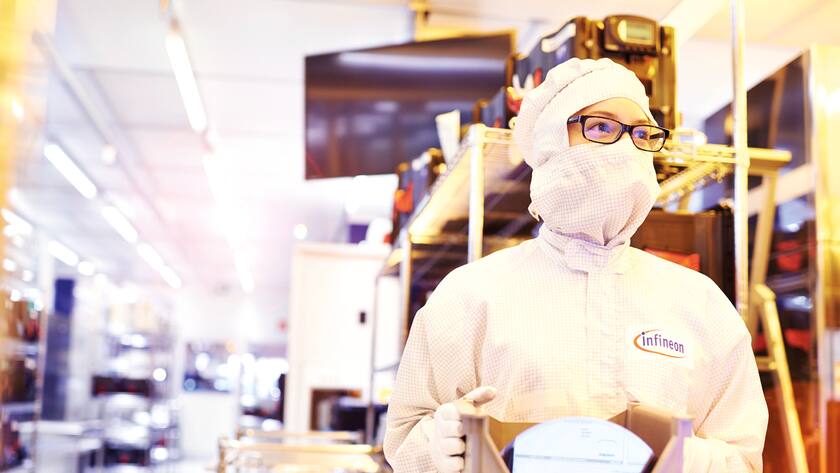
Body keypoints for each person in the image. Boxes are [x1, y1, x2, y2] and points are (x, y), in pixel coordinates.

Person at [383, 58, 768, 473]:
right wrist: (438, 447)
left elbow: (744, 456)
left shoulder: (701, 303)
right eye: (601, 127)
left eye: (641, 134)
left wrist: (689, 460)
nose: (625, 148)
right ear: (551, 143)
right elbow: (404, 439)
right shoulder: (470, 296)